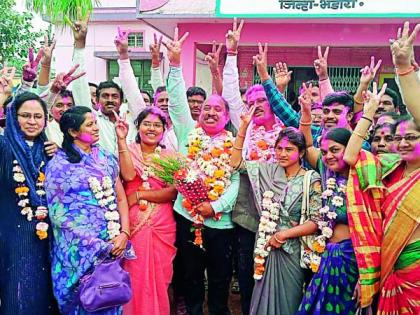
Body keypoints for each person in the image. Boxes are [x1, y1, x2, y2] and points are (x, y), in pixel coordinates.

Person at [165, 27, 240, 315]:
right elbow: (177, 102)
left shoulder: (235, 143)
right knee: (191, 276)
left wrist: (216, 205)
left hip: (220, 223)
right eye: (206, 108)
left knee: (220, 278)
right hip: (187, 216)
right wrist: (174, 65)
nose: (210, 112)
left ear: (226, 116)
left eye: (217, 110)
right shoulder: (188, 132)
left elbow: (234, 180)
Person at [296, 84, 388, 314]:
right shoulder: (329, 175)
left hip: (354, 260)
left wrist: (365, 278)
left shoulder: (364, 176)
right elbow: (307, 145)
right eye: (325, 151)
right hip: (329, 256)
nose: (328, 156)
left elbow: (374, 231)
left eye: (334, 150)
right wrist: (306, 114)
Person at [230, 106, 322, 315]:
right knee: (261, 296)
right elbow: (235, 163)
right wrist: (243, 128)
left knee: (289, 300)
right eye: (279, 148)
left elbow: (316, 221)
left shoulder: (311, 179)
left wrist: (284, 234)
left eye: (288, 150)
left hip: (292, 248)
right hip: (264, 244)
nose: (282, 154)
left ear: (300, 153)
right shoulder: (268, 170)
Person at [45, 106, 130, 314]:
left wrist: (124, 234)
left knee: (109, 296)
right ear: (73, 132)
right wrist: (95, 245)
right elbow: (59, 216)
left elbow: (120, 197)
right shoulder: (59, 165)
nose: (96, 128)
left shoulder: (106, 158)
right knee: (83, 302)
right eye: (89, 124)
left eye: (95, 123)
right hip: (78, 250)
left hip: (112, 244)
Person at [0, 92, 58, 314]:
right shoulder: (5, 147)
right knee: (17, 291)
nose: (32, 122)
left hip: (46, 236)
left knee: (43, 292)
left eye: (37, 116)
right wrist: (2, 96)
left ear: (45, 120)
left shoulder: (49, 150)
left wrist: (58, 154)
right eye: (25, 116)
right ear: (13, 117)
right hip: (13, 236)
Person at [116, 107, 177, 315]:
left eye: (157, 125)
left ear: (164, 129)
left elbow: (173, 192)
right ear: (138, 126)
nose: (152, 128)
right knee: (134, 272)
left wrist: (140, 196)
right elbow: (128, 174)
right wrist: (121, 141)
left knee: (160, 275)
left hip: (163, 223)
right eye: (147, 124)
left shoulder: (171, 156)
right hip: (133, 222)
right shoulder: (129, 150)